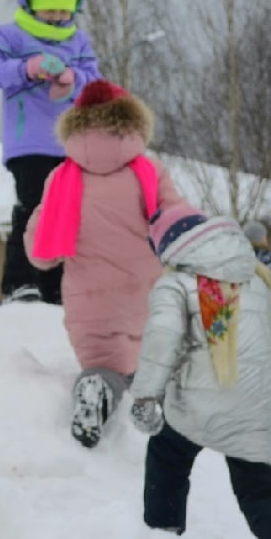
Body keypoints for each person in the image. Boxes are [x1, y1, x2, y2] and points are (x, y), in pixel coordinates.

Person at [130, 205, 271, 539]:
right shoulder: (258, 276)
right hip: (260, 406)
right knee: (259, 490)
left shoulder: (176, 283)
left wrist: (147, 394)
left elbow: (162, 341)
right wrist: (254, 380)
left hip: (198, 404)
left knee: (167, 456)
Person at [25, 80, 185, 448]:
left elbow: (40, 249)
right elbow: (176, 219)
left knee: (103, 364)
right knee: (149, 357)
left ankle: (97, 390)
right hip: (147, 293)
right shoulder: (149, 169)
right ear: (131, 122)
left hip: (89, 298)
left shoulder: (62, 178)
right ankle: (151, 402)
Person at [0, 0, 102, 305]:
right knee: (32, 207)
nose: (58, 17)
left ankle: (56, 284)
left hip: (70, 144)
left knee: (67, 212)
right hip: (28, 144)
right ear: (30, 3)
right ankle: (20, 281)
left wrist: (73, 79)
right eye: (50, 9)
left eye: (64, 9)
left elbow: (96, 84)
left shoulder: (78, 43)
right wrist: (27, 69)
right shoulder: (11, 36)